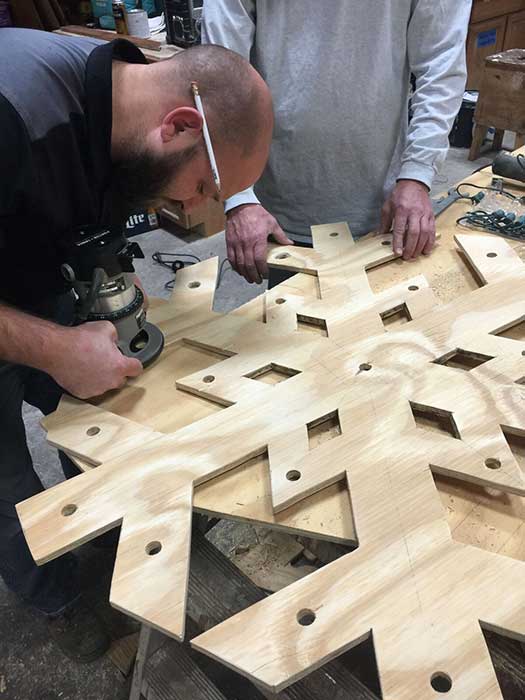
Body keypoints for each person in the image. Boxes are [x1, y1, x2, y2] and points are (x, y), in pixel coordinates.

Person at [0, 27, 273, 661]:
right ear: (178, 128)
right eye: (206, 188)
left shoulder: (122, 105)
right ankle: (55, 597)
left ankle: (103, 532)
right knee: (7, 478)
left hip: (33, 278)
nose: (199, 205)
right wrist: (52, 348)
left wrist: (101, 294)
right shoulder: (15, 116)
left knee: (93, 418)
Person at [202, 0, 472, 284]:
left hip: (384, 207)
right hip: (279, 211)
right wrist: (239, 198)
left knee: (387, 319)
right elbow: (218, 73)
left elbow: (441, 66)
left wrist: (417, 175)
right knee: (290, 318)